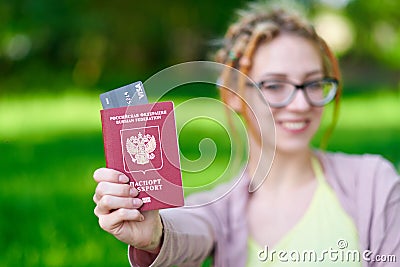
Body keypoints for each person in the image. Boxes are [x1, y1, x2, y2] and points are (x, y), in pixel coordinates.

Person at [92, 1, 400, 266]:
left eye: (313, 83)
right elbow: (186, 231)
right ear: (234, 95)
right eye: (275, 85)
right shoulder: (218, 208)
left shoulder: (372, 182)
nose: (302, 103)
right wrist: (154, 234)